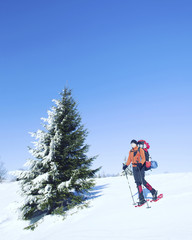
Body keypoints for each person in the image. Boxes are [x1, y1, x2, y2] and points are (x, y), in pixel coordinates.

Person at [123, 139, 158, 205]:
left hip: (140, 167)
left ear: (136, 144)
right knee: (137, 182)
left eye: (133, 144)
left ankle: (153, 192)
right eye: (131, 144)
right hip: (134, 167)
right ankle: (141, 198)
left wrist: (141, 163)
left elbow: (143, 158)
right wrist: (126, 165)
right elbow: (129, 159)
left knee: (142, 181)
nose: (132, 145)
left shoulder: (140, 150)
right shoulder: (130, 151)